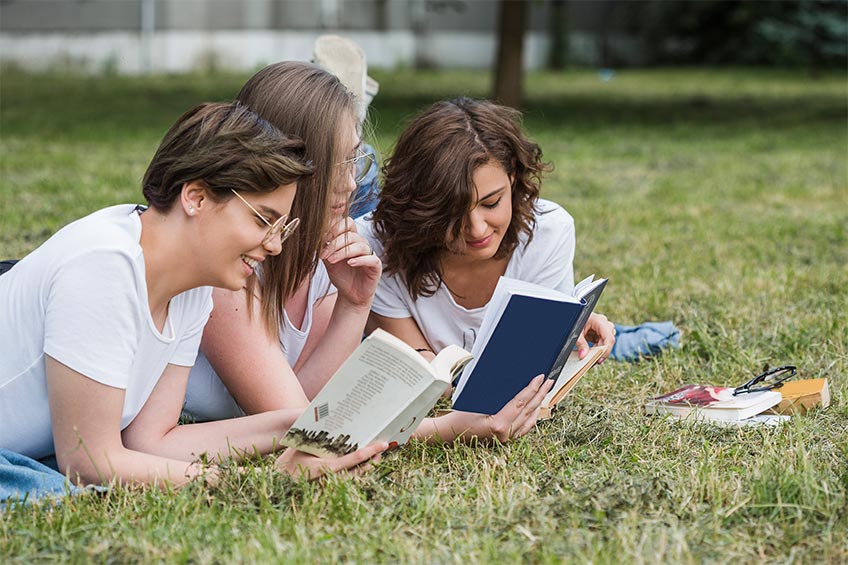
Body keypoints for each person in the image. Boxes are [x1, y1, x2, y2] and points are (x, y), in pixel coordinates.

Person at [0, 101, 386, 487]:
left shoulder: (193, 288)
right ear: (196, 197)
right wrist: (260, 483)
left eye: (281, 228)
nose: (275, 246)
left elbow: (152, 441)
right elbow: (88, 461)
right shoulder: (105, 264)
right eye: (263, 220)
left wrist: (299, 425)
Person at [358, 97, 617, 442]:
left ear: (513, 177)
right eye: (450, 212)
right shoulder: (377, 244)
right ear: (421, 206)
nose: (477, 229)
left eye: (491, 202)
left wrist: (566, 335)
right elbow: (422, 375)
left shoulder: (548, 232)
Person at [183, 61, 382, 420]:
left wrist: (353, 306)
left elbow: (301, 399)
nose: (350, 182)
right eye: (333, 164)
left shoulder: (325, 253)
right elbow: (295, 424)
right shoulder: (226, 266)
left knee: (373, 192)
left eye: (352, 160)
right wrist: (447, 427)